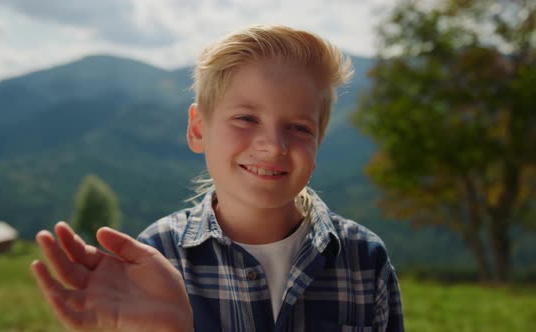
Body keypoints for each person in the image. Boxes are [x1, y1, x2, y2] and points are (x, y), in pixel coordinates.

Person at [31, 25, 404, 332]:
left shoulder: (364, 260)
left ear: (319, 142)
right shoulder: (158, 258)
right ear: (198, 129)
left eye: (299, 127)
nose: (274, 146)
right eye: (247, 119)